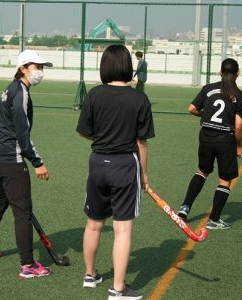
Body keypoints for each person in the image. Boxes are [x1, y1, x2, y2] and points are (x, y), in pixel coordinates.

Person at [77, 45, 155, 300]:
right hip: (124, 166)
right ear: (127, 66)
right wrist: (144, 173)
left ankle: (90, 275)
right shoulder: (139, 99)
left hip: (97, 163)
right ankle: (118, 288)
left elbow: (84, 130)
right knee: (122, 230)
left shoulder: (95, 95)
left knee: (93, 224)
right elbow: (142, 142)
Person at [0, 50, 52, 279]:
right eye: (36, 66)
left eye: (42, 67)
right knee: (23, 213)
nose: (40, 71)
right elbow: (23, 133)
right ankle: (28, 265)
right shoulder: (20, 92)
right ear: (23, 68)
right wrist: (38, 162)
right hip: (11, 160)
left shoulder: (11, 89)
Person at [176, 58, 242, 230]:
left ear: (220, 72)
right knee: (225, 180)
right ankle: (214, 219)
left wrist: (204, 115)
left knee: (202, 171)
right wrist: (238, 146)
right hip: (225, 141)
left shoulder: (208, 89)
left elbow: (191, 108)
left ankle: (184, 208)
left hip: (206, 137)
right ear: (237, 74)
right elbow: (238, 125)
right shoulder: (239, 95)